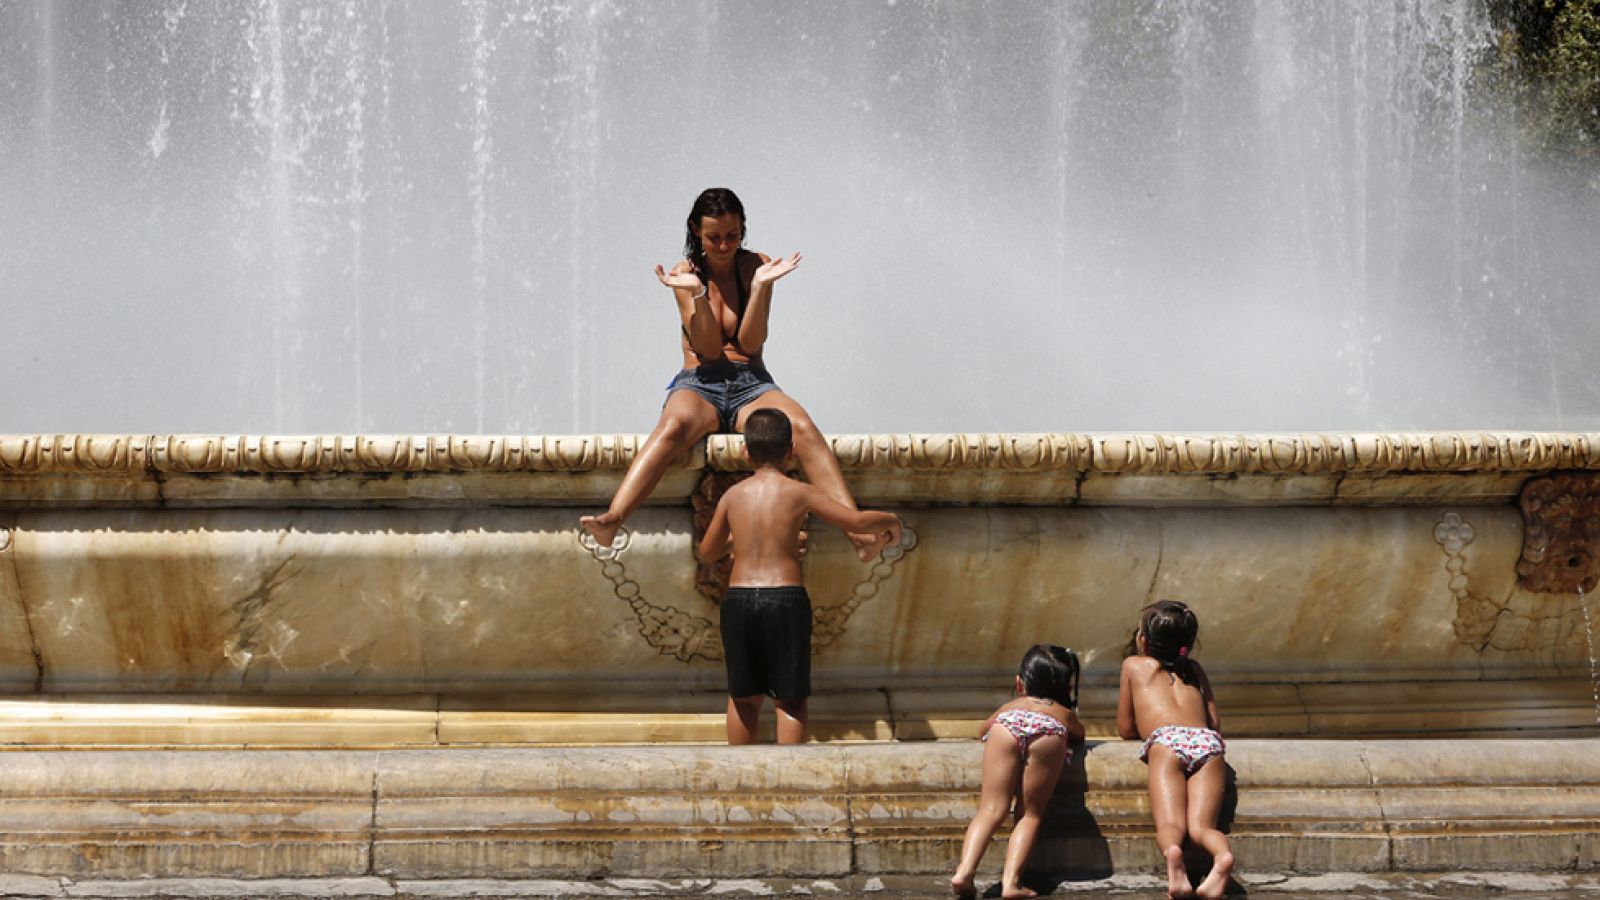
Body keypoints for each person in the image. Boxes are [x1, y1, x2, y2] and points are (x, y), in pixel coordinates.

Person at [582, 187, 884, 560]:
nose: (723, 245)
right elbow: (708, 350)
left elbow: (751, 343)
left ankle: (858, 534)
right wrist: (696, 295)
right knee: (674, 427)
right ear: (695, 230)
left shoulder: (756, 265)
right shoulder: (685, 274)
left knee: (800, 427)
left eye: (732, 235)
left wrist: (759, 288)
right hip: (699, 384)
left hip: (751, 383)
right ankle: (613, 519)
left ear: (742, 229)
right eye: (713, 237)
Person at [697, 408, 901, 745]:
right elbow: (857, 522)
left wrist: (739, 541)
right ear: (792, 450)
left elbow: (707, 552)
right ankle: (789, 791)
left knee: (743, 698)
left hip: (739, 598)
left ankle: (739, 786)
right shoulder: (800, 492)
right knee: (788, 699)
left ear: (745, 451)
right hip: (784, 598)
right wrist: (891, 521)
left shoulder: (733, 496)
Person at [1117, 600, 1233, 900]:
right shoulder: (1194, 669)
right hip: (1207, 743)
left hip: (1167, 743)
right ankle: (1221, 858)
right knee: (1201, 828)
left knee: (1171, 825)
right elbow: (1214, 723)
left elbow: (1125, 728)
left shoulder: (1133, 666)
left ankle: (1173, 860)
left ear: (1143, 640)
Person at [951, 644, 1085, 899]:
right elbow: (1080, 734)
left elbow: (983, 730)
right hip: (1047, 735)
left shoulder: (1011, 706)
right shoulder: (1062, 713)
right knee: (1029, 814)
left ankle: (964, 872)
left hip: (1005, 729)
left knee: (990, 809)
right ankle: (1011, 883)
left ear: (1019, 683)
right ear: (1067, 687)